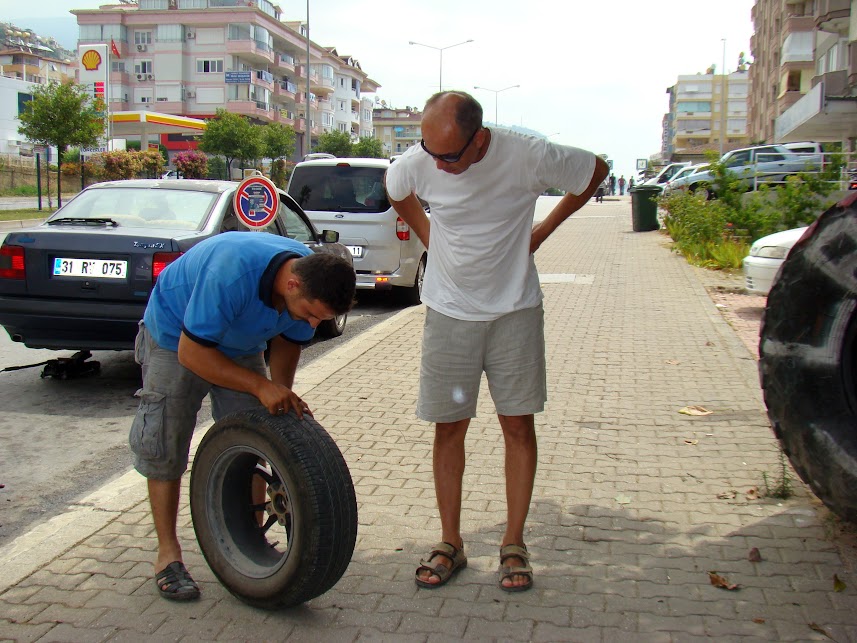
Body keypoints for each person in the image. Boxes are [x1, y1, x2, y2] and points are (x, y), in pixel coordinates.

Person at [384, 91, 608, 592]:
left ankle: (513, 543)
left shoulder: (528, 153)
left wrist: (544, 229)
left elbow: (595, 169)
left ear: (479, 139)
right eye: (429, 151)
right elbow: (396, 187)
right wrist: (429, 235)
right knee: (448, 429)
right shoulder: (421, 160)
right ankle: (451, 542)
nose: (437, 164)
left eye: (449, 156)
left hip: (514, 314)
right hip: (448, 315)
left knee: (518, 426)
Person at [129, 231, 355, 601]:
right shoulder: (230, 272)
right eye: (313, 314)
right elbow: (193, 354)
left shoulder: (310, 280)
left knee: (255, 443)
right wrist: (260, 386)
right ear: (292, 284)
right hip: (177, 339)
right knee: (165, 444)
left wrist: (279, 400)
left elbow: (287, 343)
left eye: (322, 319)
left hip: (239, 343)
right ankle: (168, 556)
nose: (313, 325)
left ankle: (248, 540)